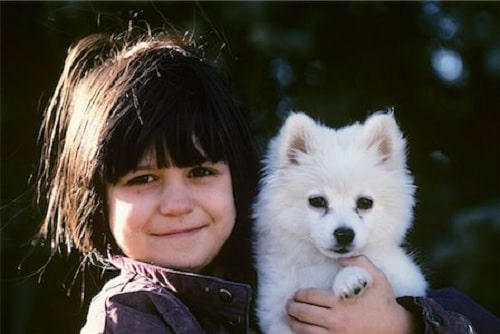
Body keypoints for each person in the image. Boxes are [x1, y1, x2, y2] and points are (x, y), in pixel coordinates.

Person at [34, 26, 499, 333]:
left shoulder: (252, 269)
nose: (177, 203)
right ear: (97, 198)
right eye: (142, 179)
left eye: (199, 172)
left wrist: (403, 325)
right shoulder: (128, 318)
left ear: (239, 179)